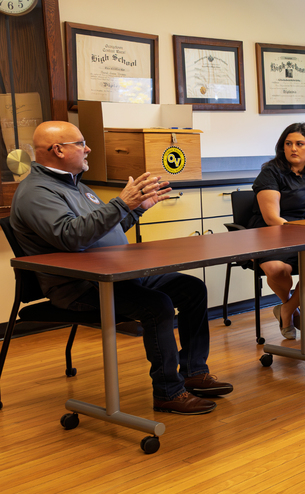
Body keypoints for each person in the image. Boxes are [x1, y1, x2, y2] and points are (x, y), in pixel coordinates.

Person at [10, 121, 232, 415]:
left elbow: (101, 231)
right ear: (58, 150)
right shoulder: (36, 193)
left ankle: (193, 371)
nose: (87, 148)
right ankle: (168, 392)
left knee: (191, 288)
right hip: (79, 286)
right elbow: (71, 237)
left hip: (117, 276)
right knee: (156, 305)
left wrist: (136, 208)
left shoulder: (75, 184)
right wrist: (120, 203)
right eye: (81, 143)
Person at [249, 123, 305, 340]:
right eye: (288, 144)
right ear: (282, 147)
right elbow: (272, 218)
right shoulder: (271, 172)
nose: (293, 148)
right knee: (278, 270)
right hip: (274, 233)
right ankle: (291, 307)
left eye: (299, 144)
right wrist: (301, 234)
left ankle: (286, 310)